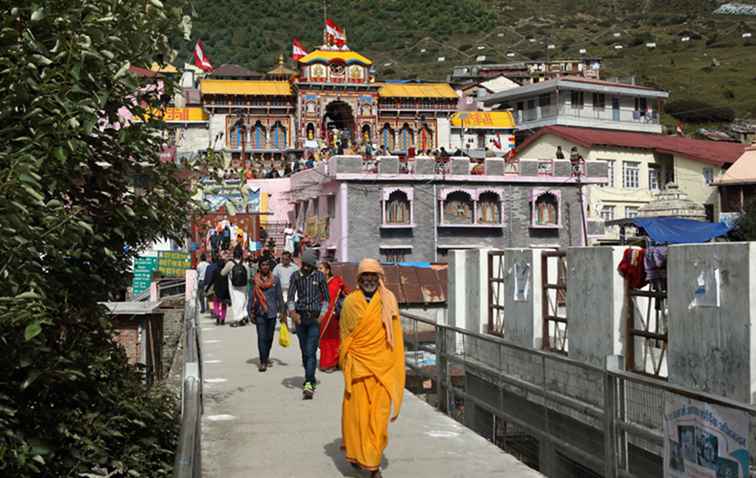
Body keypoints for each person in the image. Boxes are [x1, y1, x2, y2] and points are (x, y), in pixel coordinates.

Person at [339, 259, 405, 478]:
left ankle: (373, 462)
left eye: (373, 276)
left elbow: (395, 337)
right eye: (365, 276)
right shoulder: (350, 302)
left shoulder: (389, 300)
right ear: (359, 279)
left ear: (379, 278)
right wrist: (346, 362)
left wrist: (395, 365)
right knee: (358, 418)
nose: (369, 279)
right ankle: (363, 458)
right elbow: (346, 337)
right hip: (358, 368)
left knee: (378, 419)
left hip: (383, 370)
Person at [287, 249, 329, 399]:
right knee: (304, 351)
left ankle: (308, 383)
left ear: (313, 265)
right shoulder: (296, 276)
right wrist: (293, 313)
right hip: (300, 318)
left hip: (314, 319)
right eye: (304, 264)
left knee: (311, 351)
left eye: (308, 265)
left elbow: (326, 298)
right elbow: (291, 297)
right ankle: (309, 375)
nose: (305, 268)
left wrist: (322, 316)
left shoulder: (319, 277)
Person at [247, 259, 284, 372]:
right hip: (259, 312)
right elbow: (250, 297)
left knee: (269, 338)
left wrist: (282, 311)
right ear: (259, 267)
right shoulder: (254, 281)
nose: (265, 266)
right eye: (263, 264)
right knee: (262, 337)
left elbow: (279, 296)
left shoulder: (275, 280)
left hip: (272, 312)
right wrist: (250, 312)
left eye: (267, 264)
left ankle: (266, 356)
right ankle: (263, 361)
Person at [318, 261, 348, 373]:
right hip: (323, 316)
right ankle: (325, 362)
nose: (319, 270)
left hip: (334, 317)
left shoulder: (336, 282)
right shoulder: (320, 283)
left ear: (327, 270)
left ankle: (333, 363)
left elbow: (347, 294)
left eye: (321, 268)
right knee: (324, 341)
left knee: (333, 341)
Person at [221, 246, 249, 326]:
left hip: (233, 286)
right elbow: (248, 275)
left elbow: (222, 273)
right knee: (243, 300)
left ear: (234, 255)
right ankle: (244, 315)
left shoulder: (230, 263)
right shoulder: (244, 264)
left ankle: (237, 319)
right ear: (241, 255)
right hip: (244, 285)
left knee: (235, 301)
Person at [273, 251, 299, 325]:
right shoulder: (277, 267)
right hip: (282, 290)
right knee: (283, 307)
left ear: (290, 259)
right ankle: (284, 325)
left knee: (293, 308)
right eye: (283, 259)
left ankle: (294, 325)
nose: (284, 261)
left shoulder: (295, 267)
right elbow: (274, 278)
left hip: (293, 290)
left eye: (286, 259)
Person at [205, 253, 230, 325]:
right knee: (224, 306)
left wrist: (207, 288)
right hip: (225, 291)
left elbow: (211, 281)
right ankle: (222, 318)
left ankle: (218, 315)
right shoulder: (226, 272)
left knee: (215, 304)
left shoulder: (215, 271)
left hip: (217, 290)